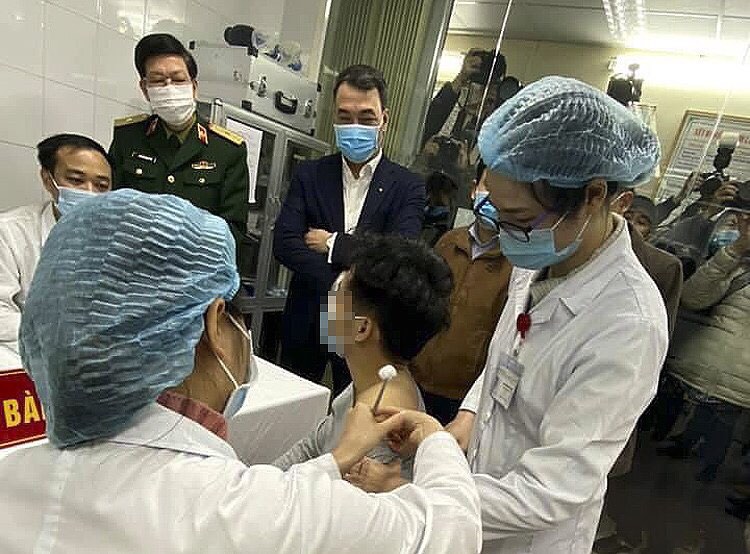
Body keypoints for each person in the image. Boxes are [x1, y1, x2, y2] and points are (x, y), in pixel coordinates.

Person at [0, 189, 482, 553]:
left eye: (335, 296)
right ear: (215, 323)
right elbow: (448, 530)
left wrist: (338, 467)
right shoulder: (240, 508)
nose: (326, 307)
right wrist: (434, 440)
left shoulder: (16, 475)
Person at [443, 76, 668, 554]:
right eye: (497, 213)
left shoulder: (629, 324)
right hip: (476, 493)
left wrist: (423, 496)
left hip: (531, 536)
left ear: (594, 195)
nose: (505, 234)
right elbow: (508, 357)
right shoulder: (542, 254)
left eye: (521, 221)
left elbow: (550, 491)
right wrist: (468, 415)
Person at [274, 64, 425, 396]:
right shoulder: (310, 174)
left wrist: (334, 244)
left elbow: (399, 255)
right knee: (291, 403)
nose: (354, 126)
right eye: (345, 117)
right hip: (309, 314)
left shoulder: (408, 186)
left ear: (385, 120)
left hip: (366, 325)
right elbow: (285, 243)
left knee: (357, 408)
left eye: (366, 118)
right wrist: (343, 281)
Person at [273, 234, 452, 480]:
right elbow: (313, 446)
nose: (330, 301)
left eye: (339, 292)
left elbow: (327, 497)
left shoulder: (382, 430)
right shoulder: (372, 379)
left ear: (362, 328)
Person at [108, 33, 250, 251]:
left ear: (194, 86)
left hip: (195, 265)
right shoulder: (128, 138)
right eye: (158, 81)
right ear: (145, 89)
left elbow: (233, 232)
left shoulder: (227, 150)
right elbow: (109, 208)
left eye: (178, 79)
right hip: (134, 261)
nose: (169, 87)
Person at [0, 134, 111, 369]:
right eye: (76, 180)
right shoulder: (10, 232)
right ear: (48, 179)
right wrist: (54, 347)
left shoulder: (121, 238)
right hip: (26, 353)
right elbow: (2, 313)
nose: (89, 192)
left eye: (101, 186)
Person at [413, 160, 511, 425]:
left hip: (463, 397)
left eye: (505, 189)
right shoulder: (448, 242)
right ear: (474, 189)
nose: (494, 197)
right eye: (489, 185)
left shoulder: (516, 264)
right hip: (415, 377)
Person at [655, 212, 750, 483]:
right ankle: (688, 447)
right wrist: (735, 250)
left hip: (734, 375)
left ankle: (709, 467)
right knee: (710, 415)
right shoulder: (736, 262)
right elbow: (692, 297)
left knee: (722, 423)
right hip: (704, 361)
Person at [422, 49, 507, 147]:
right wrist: (462, 76)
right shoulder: (454, 108)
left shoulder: (494, 125)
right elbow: (428, 124)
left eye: (494, 84)